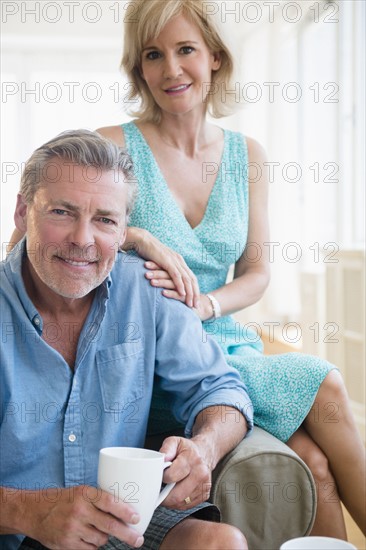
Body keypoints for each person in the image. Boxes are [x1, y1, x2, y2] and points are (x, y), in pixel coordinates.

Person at [94, 0, 366, 538]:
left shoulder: (248, 155)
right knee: (328, 382)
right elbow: (41, 232)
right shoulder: (113, 147)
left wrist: (209, 304)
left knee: (314, 463)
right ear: (139, 68)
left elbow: (258, 273)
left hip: (229, 341)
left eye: (186, 49)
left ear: (215, 57)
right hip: (158, 356)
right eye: (154, 54)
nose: (171, 69)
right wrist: (138, 236)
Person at [0, 130, 252, 550]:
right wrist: (30, 511)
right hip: (13, 530)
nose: (82, 240)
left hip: (124, 519)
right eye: (62, 212)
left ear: (123, 231)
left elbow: (220, 388)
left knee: (221, 543)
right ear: (23, 210)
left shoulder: (147, 289)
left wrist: (205, 447)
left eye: (104, 220)